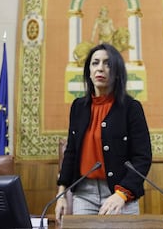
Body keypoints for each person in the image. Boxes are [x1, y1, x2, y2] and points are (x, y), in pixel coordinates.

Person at [55, 43, 152, 221]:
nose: (100, 68)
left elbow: (142, 158)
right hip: (84, 195)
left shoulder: (131, 108)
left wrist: (122, 194)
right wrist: (61, 193)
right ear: (89, 71)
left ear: (117, 72)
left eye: (108, 64)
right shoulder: (78, 107)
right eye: (95, 63)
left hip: (120, 195)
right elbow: (71, 153)